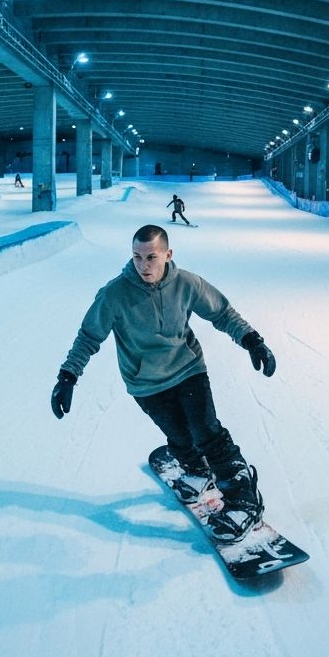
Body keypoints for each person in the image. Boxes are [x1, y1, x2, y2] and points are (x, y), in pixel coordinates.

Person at [50, 224, 277, 543]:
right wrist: (67, 376)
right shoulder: (114, 294)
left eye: (151, 257)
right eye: (137, 257)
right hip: (145, 382)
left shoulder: (187, 283)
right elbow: (89, 336)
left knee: (207, 432)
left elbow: (222, 313)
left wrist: (253, 341)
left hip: (187, 368)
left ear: (168, 255)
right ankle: (197, 471)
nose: (143, 265)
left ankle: (244, 500)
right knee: (178, 434)